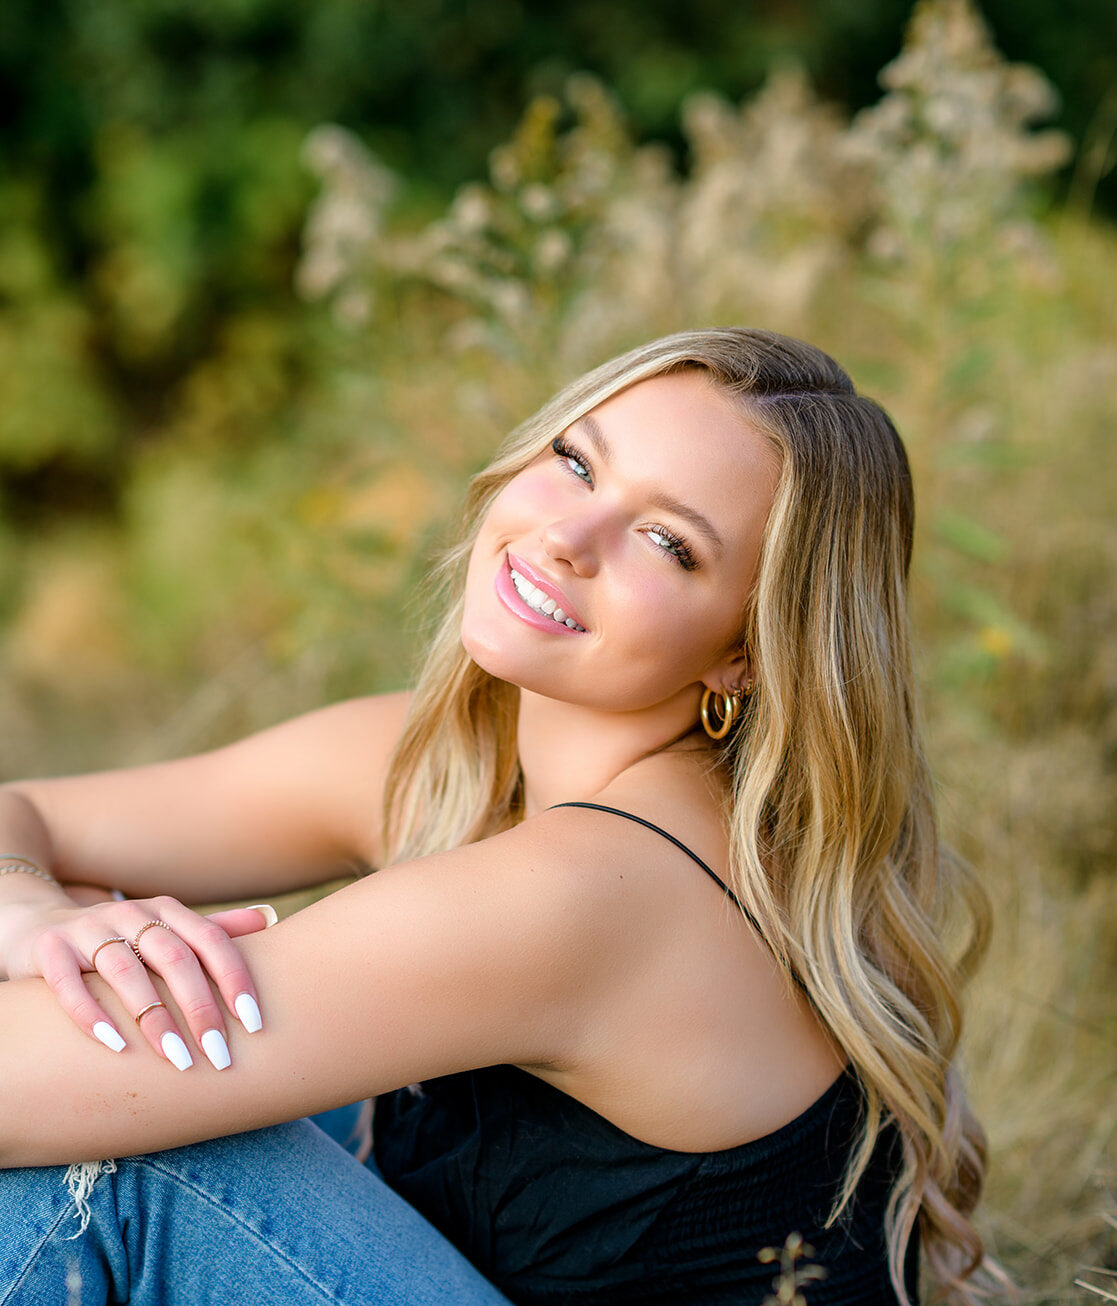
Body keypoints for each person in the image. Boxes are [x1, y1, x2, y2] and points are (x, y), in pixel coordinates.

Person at [0, 328, 994, 1306]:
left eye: (666, 541)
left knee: (128, 1149)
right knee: (107, 948)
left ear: (746, 651)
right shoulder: (461, 763)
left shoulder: (593, 889)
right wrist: (35, 914)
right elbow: (24, 813)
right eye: (575, 461)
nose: (566, 536)